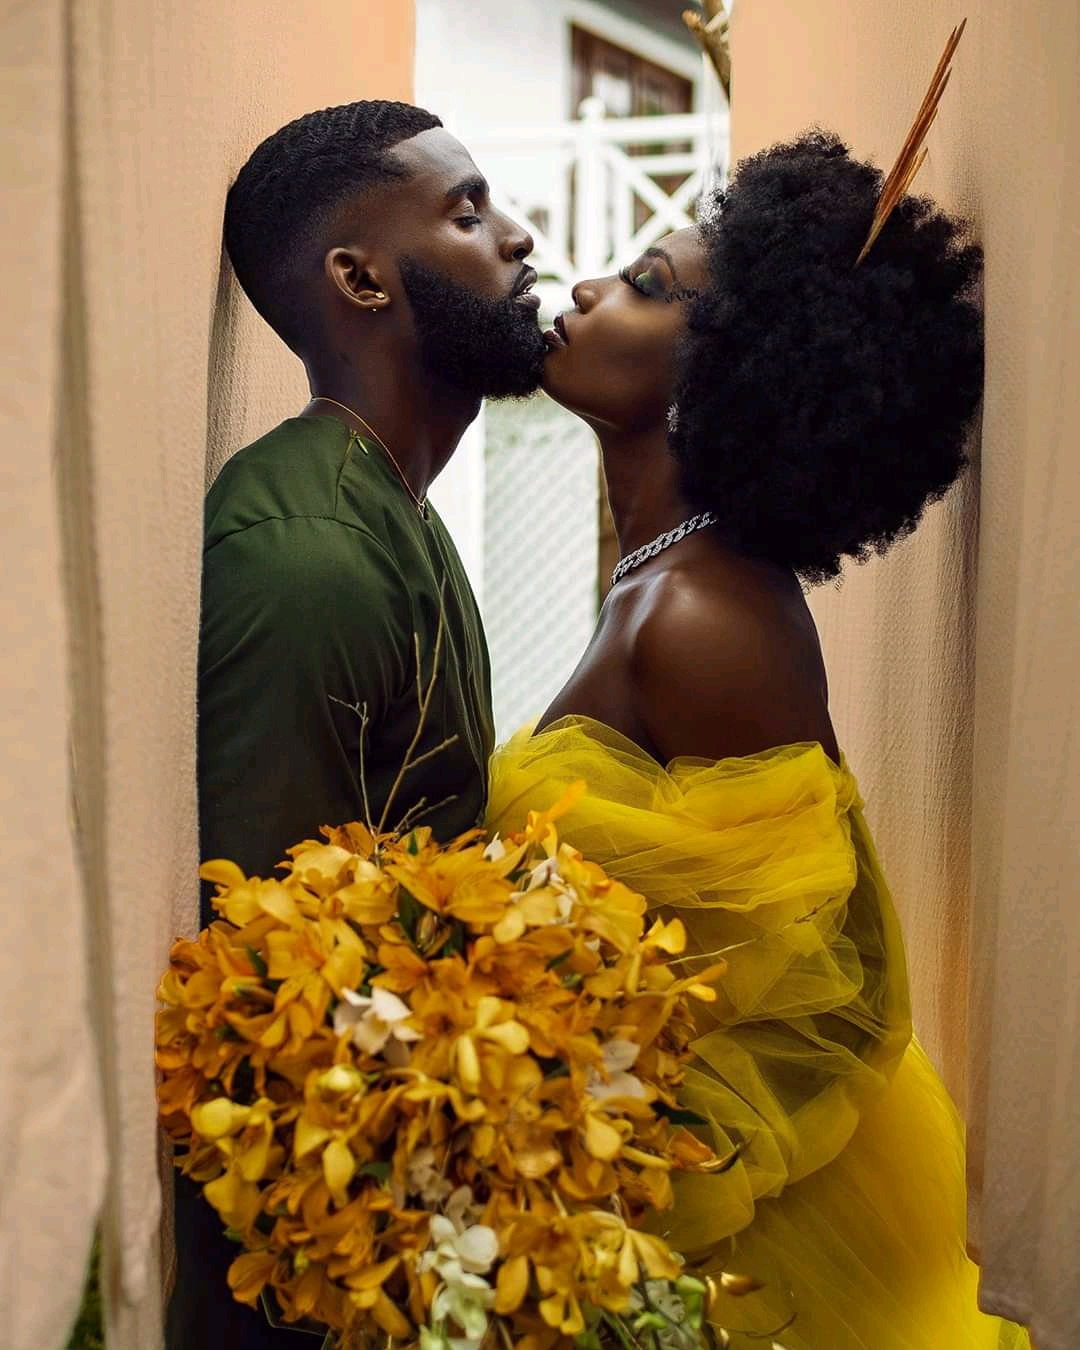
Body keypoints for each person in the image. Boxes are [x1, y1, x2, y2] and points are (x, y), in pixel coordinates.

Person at [486, 131, 1031, 1348]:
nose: (588, 288)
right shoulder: (665, 580)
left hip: (755, 1252)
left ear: (727, 372)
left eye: (645, 285)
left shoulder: (704, 621)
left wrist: (610, 1195)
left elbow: (821, 995)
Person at [169, 99, 546, 1348]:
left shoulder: (392, 509)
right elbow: (266, 989)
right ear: (360, 278)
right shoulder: (310, 550)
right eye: (468, 213)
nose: (519, 238)